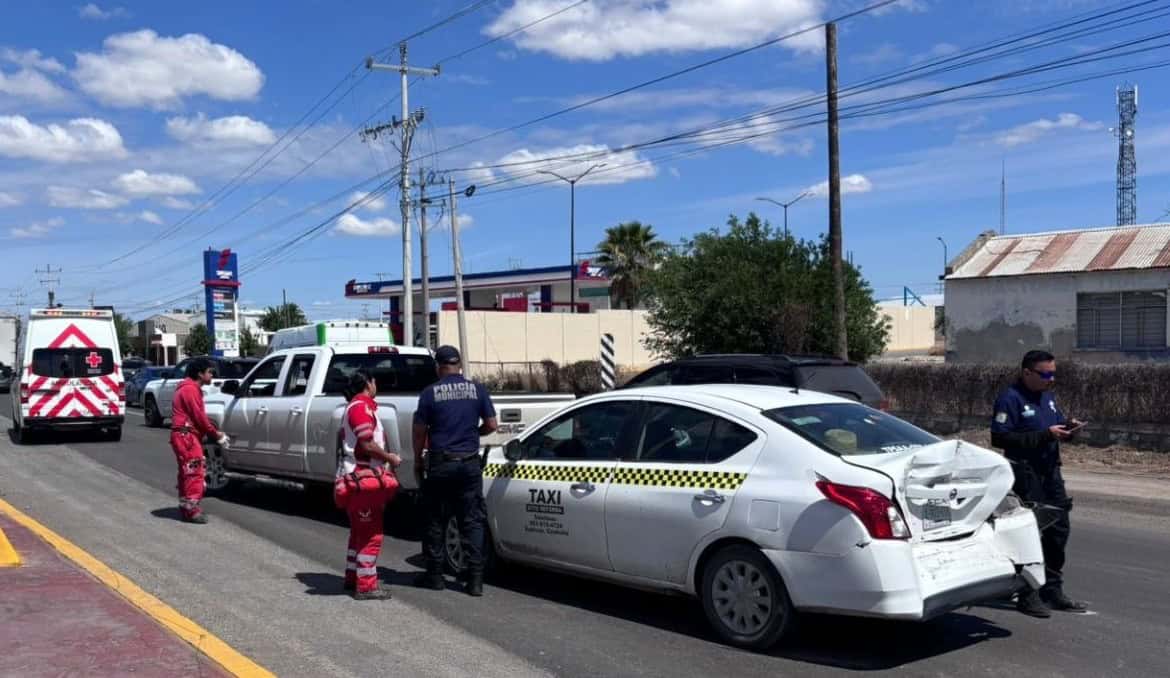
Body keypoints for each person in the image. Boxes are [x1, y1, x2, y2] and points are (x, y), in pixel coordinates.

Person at [991, 350, 1088, 617]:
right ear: (1027, 373)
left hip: (1051, 473)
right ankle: (1028, 594)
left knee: (1059, 532)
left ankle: (1052, 590)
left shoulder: (1048, 397)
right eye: (1045, 374)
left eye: (1053, 373)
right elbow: (999, 438)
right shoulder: (1010, 399)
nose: (1051, 379)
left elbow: (1054, 428)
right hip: (1026, 475)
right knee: (1030, 535)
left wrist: (1067, 429)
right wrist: (1044, 435)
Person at [412, 345, 498, 596]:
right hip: (470, 463)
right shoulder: (477, 390)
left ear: (439, 367)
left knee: (436, 519)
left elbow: (419, 432)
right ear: (459, 366)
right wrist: (474, 434)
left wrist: (417, 459)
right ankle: (474, 581)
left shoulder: (430, 393)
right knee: (472, 520)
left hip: (441, 464)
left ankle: (436, 576)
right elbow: (492, 424)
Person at [336, 370, 402, 601]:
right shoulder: (360, 408)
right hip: (363, 480)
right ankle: (366, 585)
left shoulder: (358, 407)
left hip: (358, 479)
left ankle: (353, 576)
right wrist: (390, 458)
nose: (377, 386)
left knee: (358, 531)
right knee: (371, 533)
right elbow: (367, 444)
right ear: (368, 383)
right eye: (375, 381)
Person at [170, 358, 229, 524]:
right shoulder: (190, 390)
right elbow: (200, 417)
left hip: (183, 436)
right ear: (200, 373)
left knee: (186, 473)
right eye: (210, 371)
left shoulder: (187, 388)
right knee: (195, 472)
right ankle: (192, 511)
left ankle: (186, 507)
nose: (212, 375)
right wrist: (216, 434)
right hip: (186, 436)